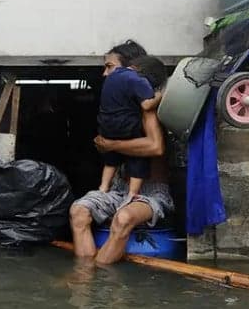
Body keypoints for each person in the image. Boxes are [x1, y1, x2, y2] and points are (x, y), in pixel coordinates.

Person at [71, 45, 175, 265]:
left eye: (110, 67)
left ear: (132, 70)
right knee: (78, 211)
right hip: (118, 190)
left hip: (151, 194)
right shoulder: (117, 107)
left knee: (124, 217)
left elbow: (155, 147)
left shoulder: (147, 110)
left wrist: (111, 145)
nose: (106, 74)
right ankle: (85, 272)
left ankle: (89, 280)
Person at [97, 55, 168, 200]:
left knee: (111, 160)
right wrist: (161, 94)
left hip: (106, 125)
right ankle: (132, 194)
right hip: (126, 125)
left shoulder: (112, 77)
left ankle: (103, 188)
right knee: (137, 156)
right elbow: (146, 104)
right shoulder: (137, 79)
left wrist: (112, 144)